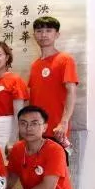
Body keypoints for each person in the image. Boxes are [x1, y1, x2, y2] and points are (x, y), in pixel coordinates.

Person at [28, 16, 79, 144]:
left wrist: (64, 122)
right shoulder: (34, 65)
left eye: (48, 30)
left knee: (57, 157)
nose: (43, 35)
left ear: (57, 34)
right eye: (39, 31)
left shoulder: (65, 59)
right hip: (36, 131)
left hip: (57, 130)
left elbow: (71, 92)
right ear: (34, 35)